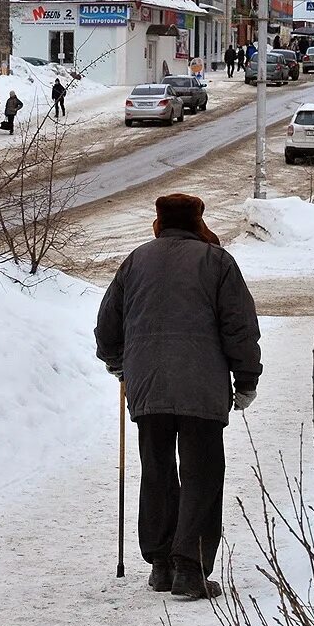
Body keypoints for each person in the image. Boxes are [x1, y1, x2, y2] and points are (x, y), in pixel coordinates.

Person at [95, 194, 262, 602]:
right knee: (202, 474)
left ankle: (160, 565)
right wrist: (246, 380)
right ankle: (189, 567)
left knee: (157, 471)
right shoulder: (217, 263)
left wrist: (120, 365)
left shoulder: (135, 261)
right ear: (197, 220)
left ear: (160, 220)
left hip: (147, 385)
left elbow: (107, 327)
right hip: (201, 388)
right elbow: (239, 327)